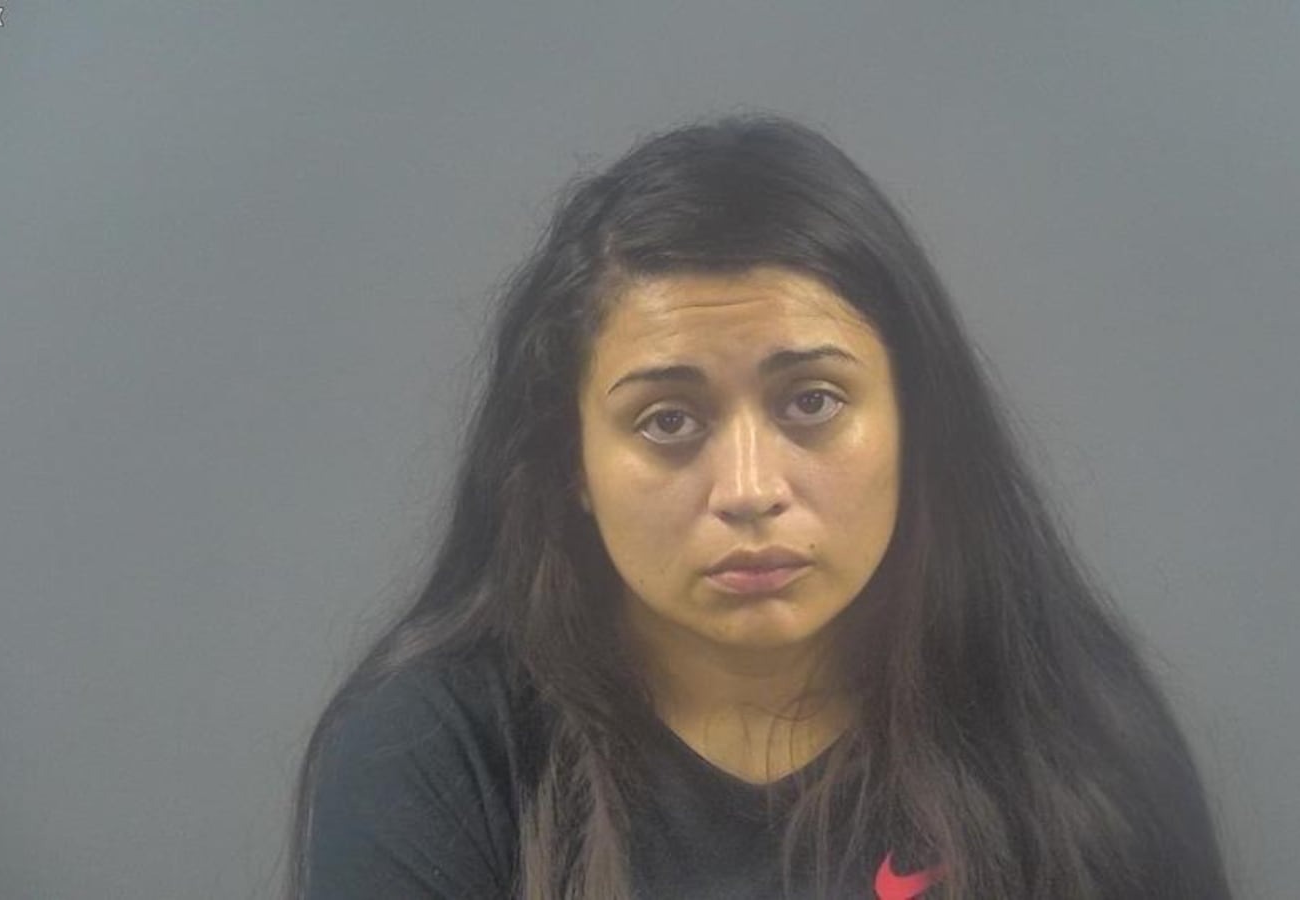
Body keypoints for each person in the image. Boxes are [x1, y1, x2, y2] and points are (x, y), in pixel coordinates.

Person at [286, 115, 1232, 900]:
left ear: (915, 423)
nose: (748, 490)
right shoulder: (436, 752)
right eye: (667, 420)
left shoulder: (1070, 730)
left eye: (811, 402)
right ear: (570, 463)